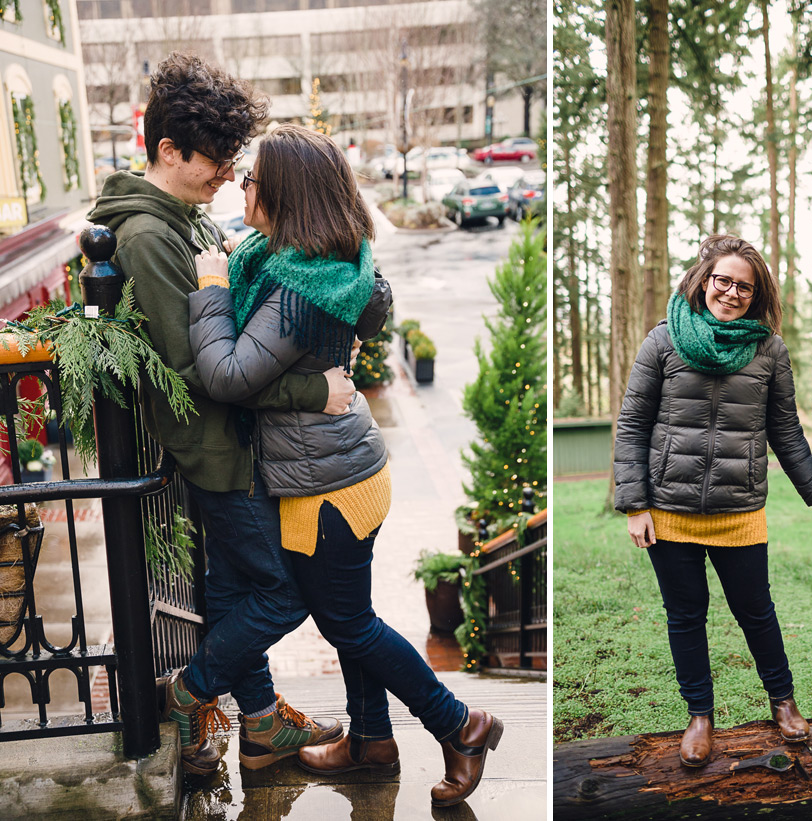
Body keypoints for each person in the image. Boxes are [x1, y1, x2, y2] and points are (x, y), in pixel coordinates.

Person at [189, 123, 502, 808]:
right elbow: (378, 298)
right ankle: (371, 742)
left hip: (329, 484)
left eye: (252, 178)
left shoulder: (299, 290)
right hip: (335, 469)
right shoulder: (324, 261)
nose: (242, 186)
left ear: (284, 192)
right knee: (348, 614)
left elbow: (225, 372)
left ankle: (462, 724)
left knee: (349, 622)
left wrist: (210, 289)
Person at [87, 54, 353, 776]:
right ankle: (191, 689)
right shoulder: (148, 237)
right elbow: (200, 371)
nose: (229, 176)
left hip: (234, 442)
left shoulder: (185, 221)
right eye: (217, 160)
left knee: (233, 590)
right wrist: (311, 391)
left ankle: (262, 726)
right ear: (168, 151)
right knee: (283, 593)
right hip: (215, 448)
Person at [613, 235, 812, 768]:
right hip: (668, 511)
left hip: (739, 512)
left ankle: (783, 702)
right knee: (686, 615)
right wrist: (635, 504)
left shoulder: (769, 350)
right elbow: (631, 428)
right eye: (724, 281)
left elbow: (786, 431)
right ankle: (700, 716)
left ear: (756, 294)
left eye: (745, 286)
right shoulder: (662, 341)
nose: (732, 293)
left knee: (756, 612)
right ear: (702, 280)